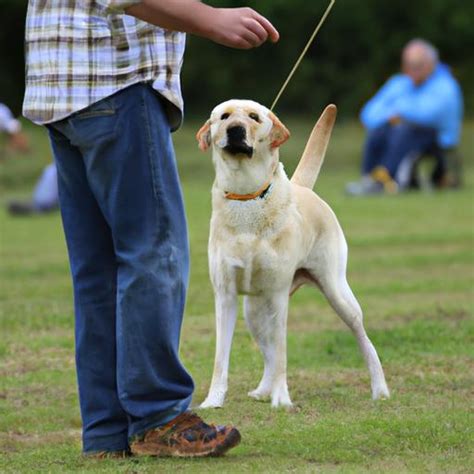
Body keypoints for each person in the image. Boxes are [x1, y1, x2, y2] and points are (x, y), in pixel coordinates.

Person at [23, 0, 279, 459]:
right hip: (115, 82)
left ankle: (106, 432)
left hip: (59, 88)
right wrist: (210, 19)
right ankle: (158, 416)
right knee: (152, 254)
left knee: (97, 273)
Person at [346, 39, 463, 196]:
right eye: (408, 65)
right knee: (380, 129)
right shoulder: (398, 83)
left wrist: (398, 111)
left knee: (405, 129)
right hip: (399, 134)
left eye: (418, 66)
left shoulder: (446, 86)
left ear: (431, 64)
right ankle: (369, 179)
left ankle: (386, 181)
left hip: (436, 142)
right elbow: (368, 114)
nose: (412, 70)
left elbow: (430, 114)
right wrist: (391, 116)